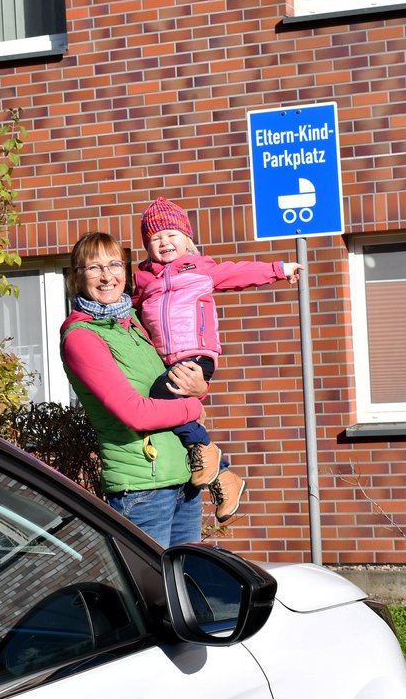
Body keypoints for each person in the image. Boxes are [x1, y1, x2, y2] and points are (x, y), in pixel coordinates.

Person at [134, 197, 303, 523]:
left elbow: (238, 272)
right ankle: (225, 477)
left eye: (171, 235)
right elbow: (133, 312)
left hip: (197, 353)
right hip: (166, 359)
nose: (164, 243)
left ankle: (206, 448)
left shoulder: (201, 268)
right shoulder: (144, 279)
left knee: (161, 397)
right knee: (164, 406)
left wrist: (278, 270)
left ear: (186, 239)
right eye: (156, 238)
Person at [59, 230, 225, 546]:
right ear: (77, 278)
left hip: (184, 477)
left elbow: (176, 382)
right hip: (142, 489)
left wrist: (198, 386)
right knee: (151, 593)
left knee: (183, 587)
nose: (107, 276)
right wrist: (195, 406)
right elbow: (135, 413)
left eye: (114, 265)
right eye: (94, 268)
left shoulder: (134, 320)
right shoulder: (81, 337)